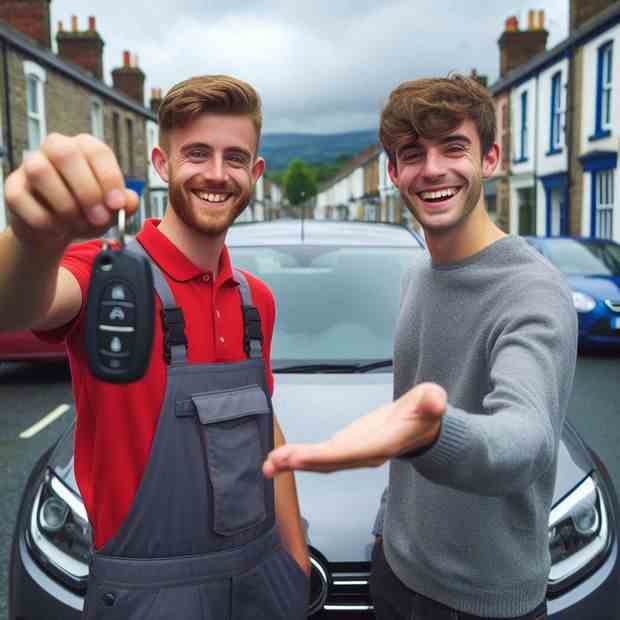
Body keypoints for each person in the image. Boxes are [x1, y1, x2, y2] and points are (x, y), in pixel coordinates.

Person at [263, 75, 578, 620]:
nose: (431, 169)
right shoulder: (416, 276)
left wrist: (434, 433)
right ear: (393, 173)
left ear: (491, 158)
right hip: (397, 573)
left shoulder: (533, 291)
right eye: (412, 154)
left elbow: (524, 440)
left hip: (481, 602)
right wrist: (389, 526)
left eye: (453, 147)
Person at [0, 75, 309, 619]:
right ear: (163, 163)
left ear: (255, 173)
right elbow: (20, 305)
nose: (217, 173)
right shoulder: (107, 276)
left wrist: (296, 563)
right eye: (197, 154)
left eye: (235, 157)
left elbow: (267, 431)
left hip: (261, 586)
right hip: (145, 597)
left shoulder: (256, 301)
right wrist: (33, 239)